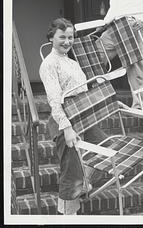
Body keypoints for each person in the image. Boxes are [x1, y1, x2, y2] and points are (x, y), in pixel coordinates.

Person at [39, 18, 107, 215]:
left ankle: (84, 184)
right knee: (71, 172)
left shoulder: (72, 62)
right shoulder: (49, 65)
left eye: (70, 37)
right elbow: (54, 100)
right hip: (64, 120)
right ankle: (69, 215)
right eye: (62, 37)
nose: (67, 41)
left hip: (83, 117)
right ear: (51, 38)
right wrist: (67, 128)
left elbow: (83, 91)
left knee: (106, 149)